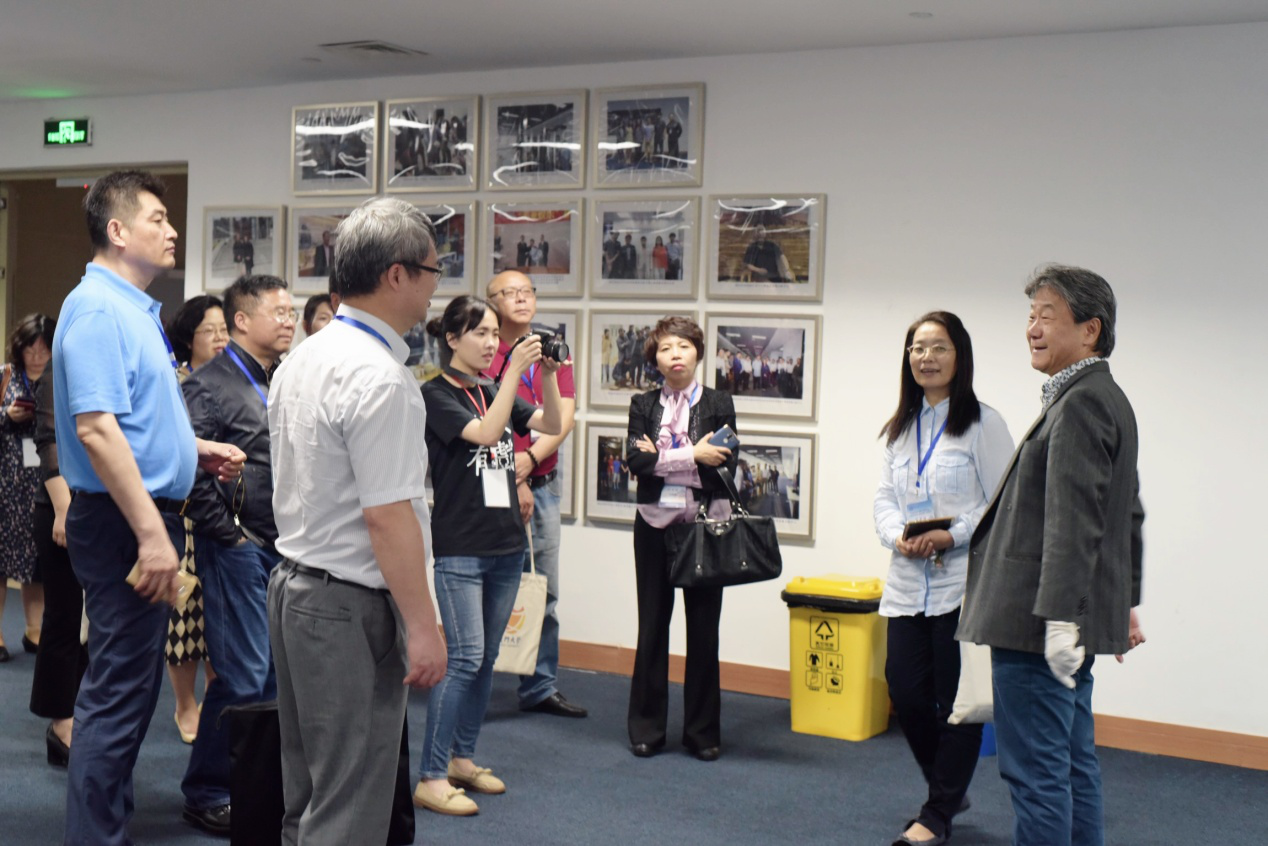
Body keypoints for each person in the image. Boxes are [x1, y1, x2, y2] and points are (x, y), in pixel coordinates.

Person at [53, 169, 245, 844]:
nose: (171, 230)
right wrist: (152, 536)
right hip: (124, 522)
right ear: (117, 230)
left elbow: (132, 418)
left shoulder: (132, 308)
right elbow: (96, 431)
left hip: (140, 515)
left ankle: (105, 827)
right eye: (157, 219)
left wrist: (192, 449)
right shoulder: (98, 310)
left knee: (131, 691)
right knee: (116, 694)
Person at [267, 196, 446, 845]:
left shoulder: (303, 357)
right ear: (397, 274)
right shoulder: (382, 378)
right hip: (348, 607)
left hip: (294, 589)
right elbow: (387, 518)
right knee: (349, 807)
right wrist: (422, 627)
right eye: (432, 270)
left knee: (308, 794)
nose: (436, 285)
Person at [958, 265, 1146, 846]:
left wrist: (1063, 618)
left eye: (1047, 316)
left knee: (1037, 773)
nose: (1032, 328)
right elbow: (1127, 515)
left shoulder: (1082, 403)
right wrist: (1123, 602)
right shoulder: (1101, 396)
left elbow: (1075, 521)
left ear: (1090, 330)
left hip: (1037, 625)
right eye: (1030, 315)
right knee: (1070, 762)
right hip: (1061, 620)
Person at [415, 294, 562, 815]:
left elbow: (550, 423)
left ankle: (462, 758)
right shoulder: (434, 393)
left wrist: (546, 374)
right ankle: (431, 775)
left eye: (496, 334)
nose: (491, 343)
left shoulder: (491, 390)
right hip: (461, 547)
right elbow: (486, 433)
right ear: (452, 338)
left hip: (505, 543)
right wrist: (512, 372)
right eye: (480, 332)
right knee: (463, 659)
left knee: (485, 662)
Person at [873, 311, 1015, 846]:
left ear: (960, 356)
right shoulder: (901, 426)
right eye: (917, 348)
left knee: (957, 702)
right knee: (906, 692)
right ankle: (949, 788)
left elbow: (1002, 503)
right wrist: (898, 537)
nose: (926, 357)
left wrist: (951, 535)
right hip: (908, 582)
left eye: (938, 347)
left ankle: (936, 816)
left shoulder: (983, 424)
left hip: (962, 584)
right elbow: (884, 498)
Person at [179, 274, 295, 834]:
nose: (290, 320)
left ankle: (251, 789)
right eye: (279, 312)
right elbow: (189, 468)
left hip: (282, 545)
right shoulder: (210, 384)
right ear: (242, 320)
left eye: (293, 311)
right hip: (238, 548)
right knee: (242, 674)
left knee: (271, 676)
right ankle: (207, 790)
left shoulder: (282, 378)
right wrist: (230, 535)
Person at [626, 316, 737, 761]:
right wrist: (693, 453)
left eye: (684, 346)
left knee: (704, 631)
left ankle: (702, 733)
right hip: (654, 523)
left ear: (698, 353)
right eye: (666, 348)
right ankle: (647, 729)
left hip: (706, 524)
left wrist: (663, 457)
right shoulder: (642, 403)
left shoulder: (719, 402)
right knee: (652, 625)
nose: (675, 354)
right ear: (654, 358)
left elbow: (724, 463)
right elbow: (636, 463)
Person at [484, 270, 586, 719]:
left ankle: (540, 685)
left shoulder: (552, 349)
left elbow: (563, 416)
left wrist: (529, 462)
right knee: (491, 585)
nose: (521, 299)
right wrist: (515, 476)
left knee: (544, 588)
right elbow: (488, 420)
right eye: (510, 293)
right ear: (492, 301)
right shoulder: (486, 351)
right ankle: (477, 681)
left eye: (527, 291)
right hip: (494, 484)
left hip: (542, 482)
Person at [165, 294, 227, 744]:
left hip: (228, 513)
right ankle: (185, 705)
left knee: (219, 615)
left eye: (225, 330)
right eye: (211, 330)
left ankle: (214, 697)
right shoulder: (176, 383)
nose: (221, 338)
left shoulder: (236, 380)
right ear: (190, 337)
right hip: (185, 514)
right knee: (185, 613)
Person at [29, 335, 89, 768]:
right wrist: (64, 510)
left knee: (92, 624)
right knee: (65, 618)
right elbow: (48, 441)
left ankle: (81, 713)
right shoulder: (60, 367)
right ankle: (61, 724)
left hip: (100, 507)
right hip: (60, 506)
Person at [0, 314, 54, 663]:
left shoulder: (60, 380)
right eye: (30, 349)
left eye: (43, 349)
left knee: (37, 559)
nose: (36, 357)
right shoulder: (5, 376)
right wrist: (6, 416)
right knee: (1, 560)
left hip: (45, 483)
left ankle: (35, 629)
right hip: (6, 484)